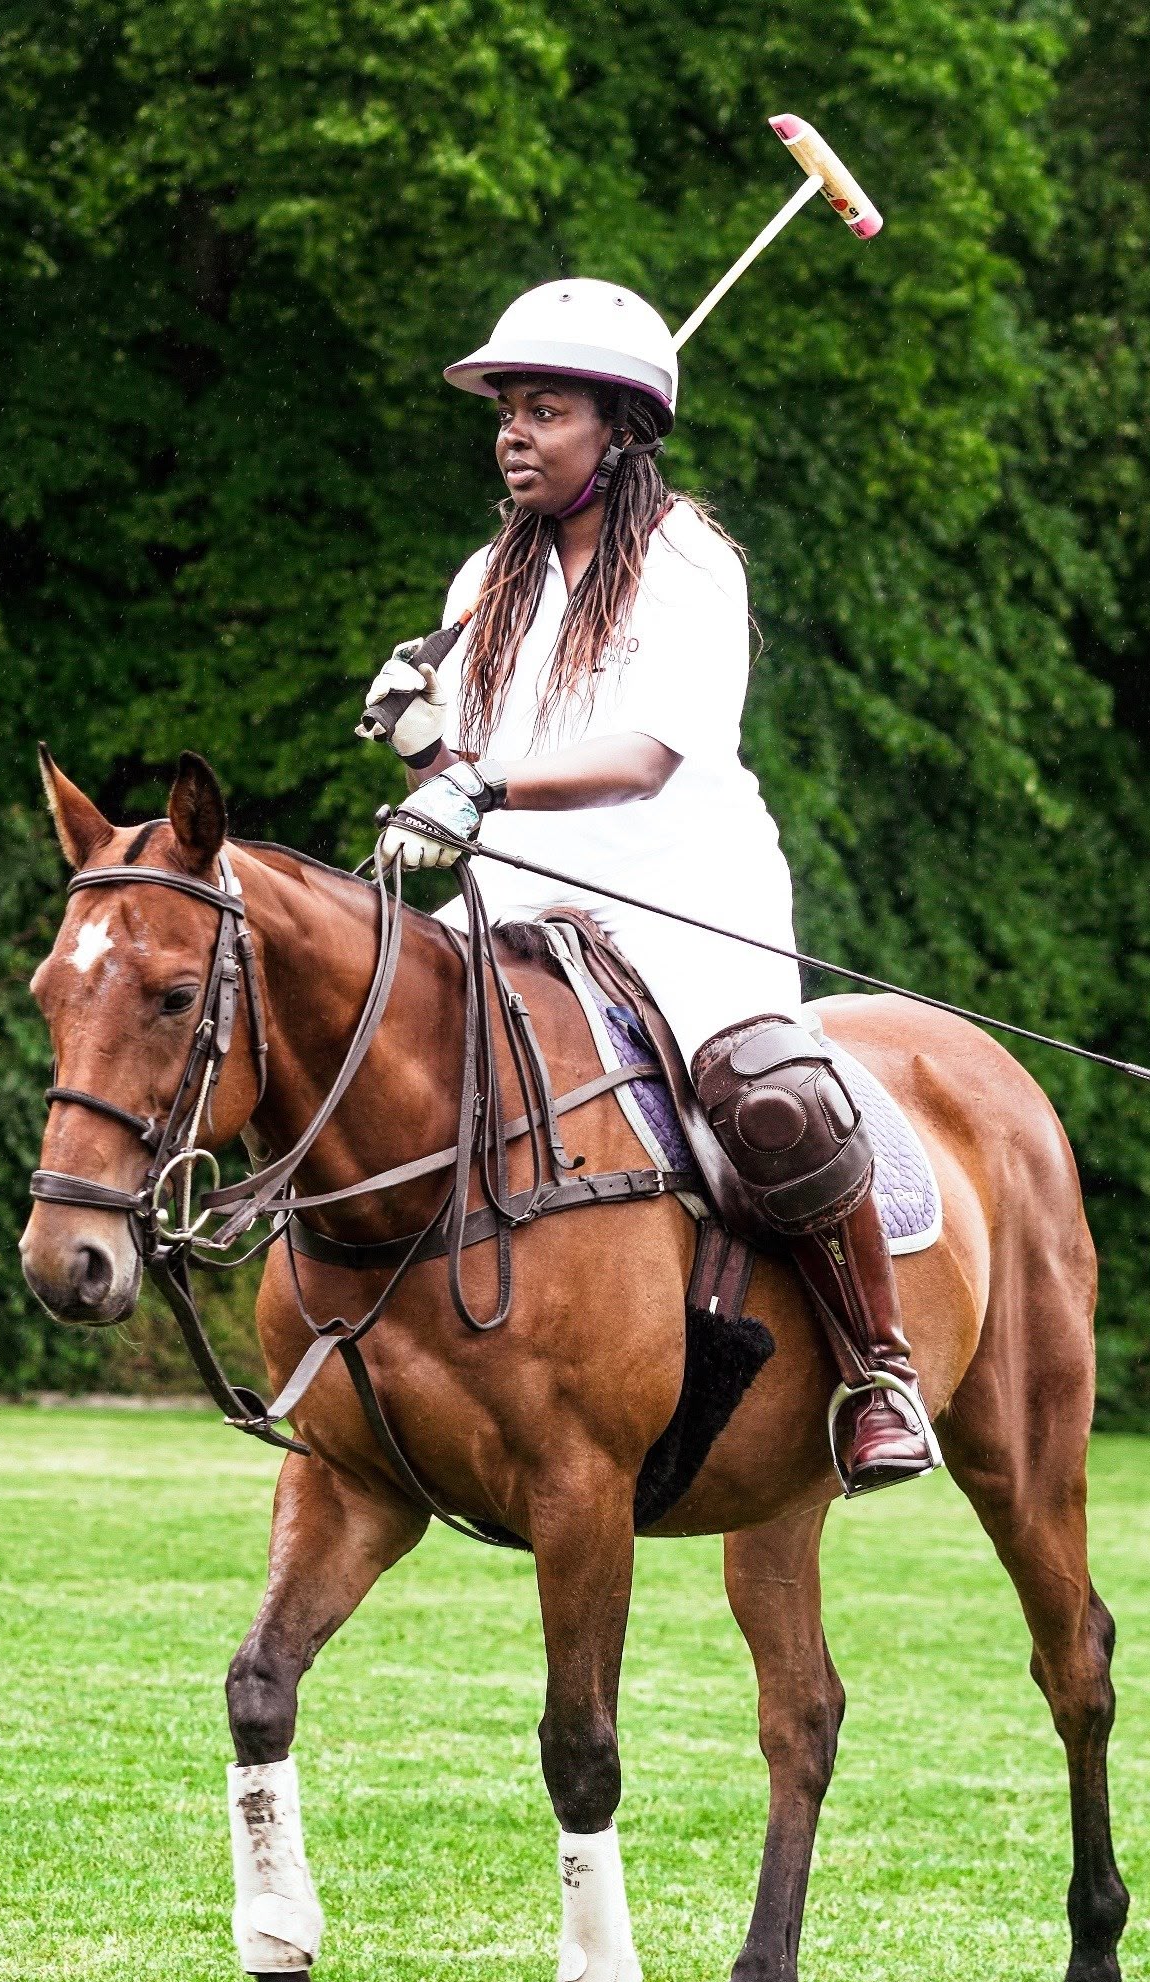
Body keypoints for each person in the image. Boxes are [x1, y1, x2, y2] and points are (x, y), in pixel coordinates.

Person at [357, 277, 937, 1494]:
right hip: (516, 909)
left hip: (683, 903)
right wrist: (424, 744)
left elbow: (643, 757)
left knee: (773, 1095)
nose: (513, 432)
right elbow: (466, 772)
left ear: (619, 432)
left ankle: (878, 1371)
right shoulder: (485, 581)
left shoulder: (687, 563)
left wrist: (479, 786)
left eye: (546, 409)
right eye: (507, 410)